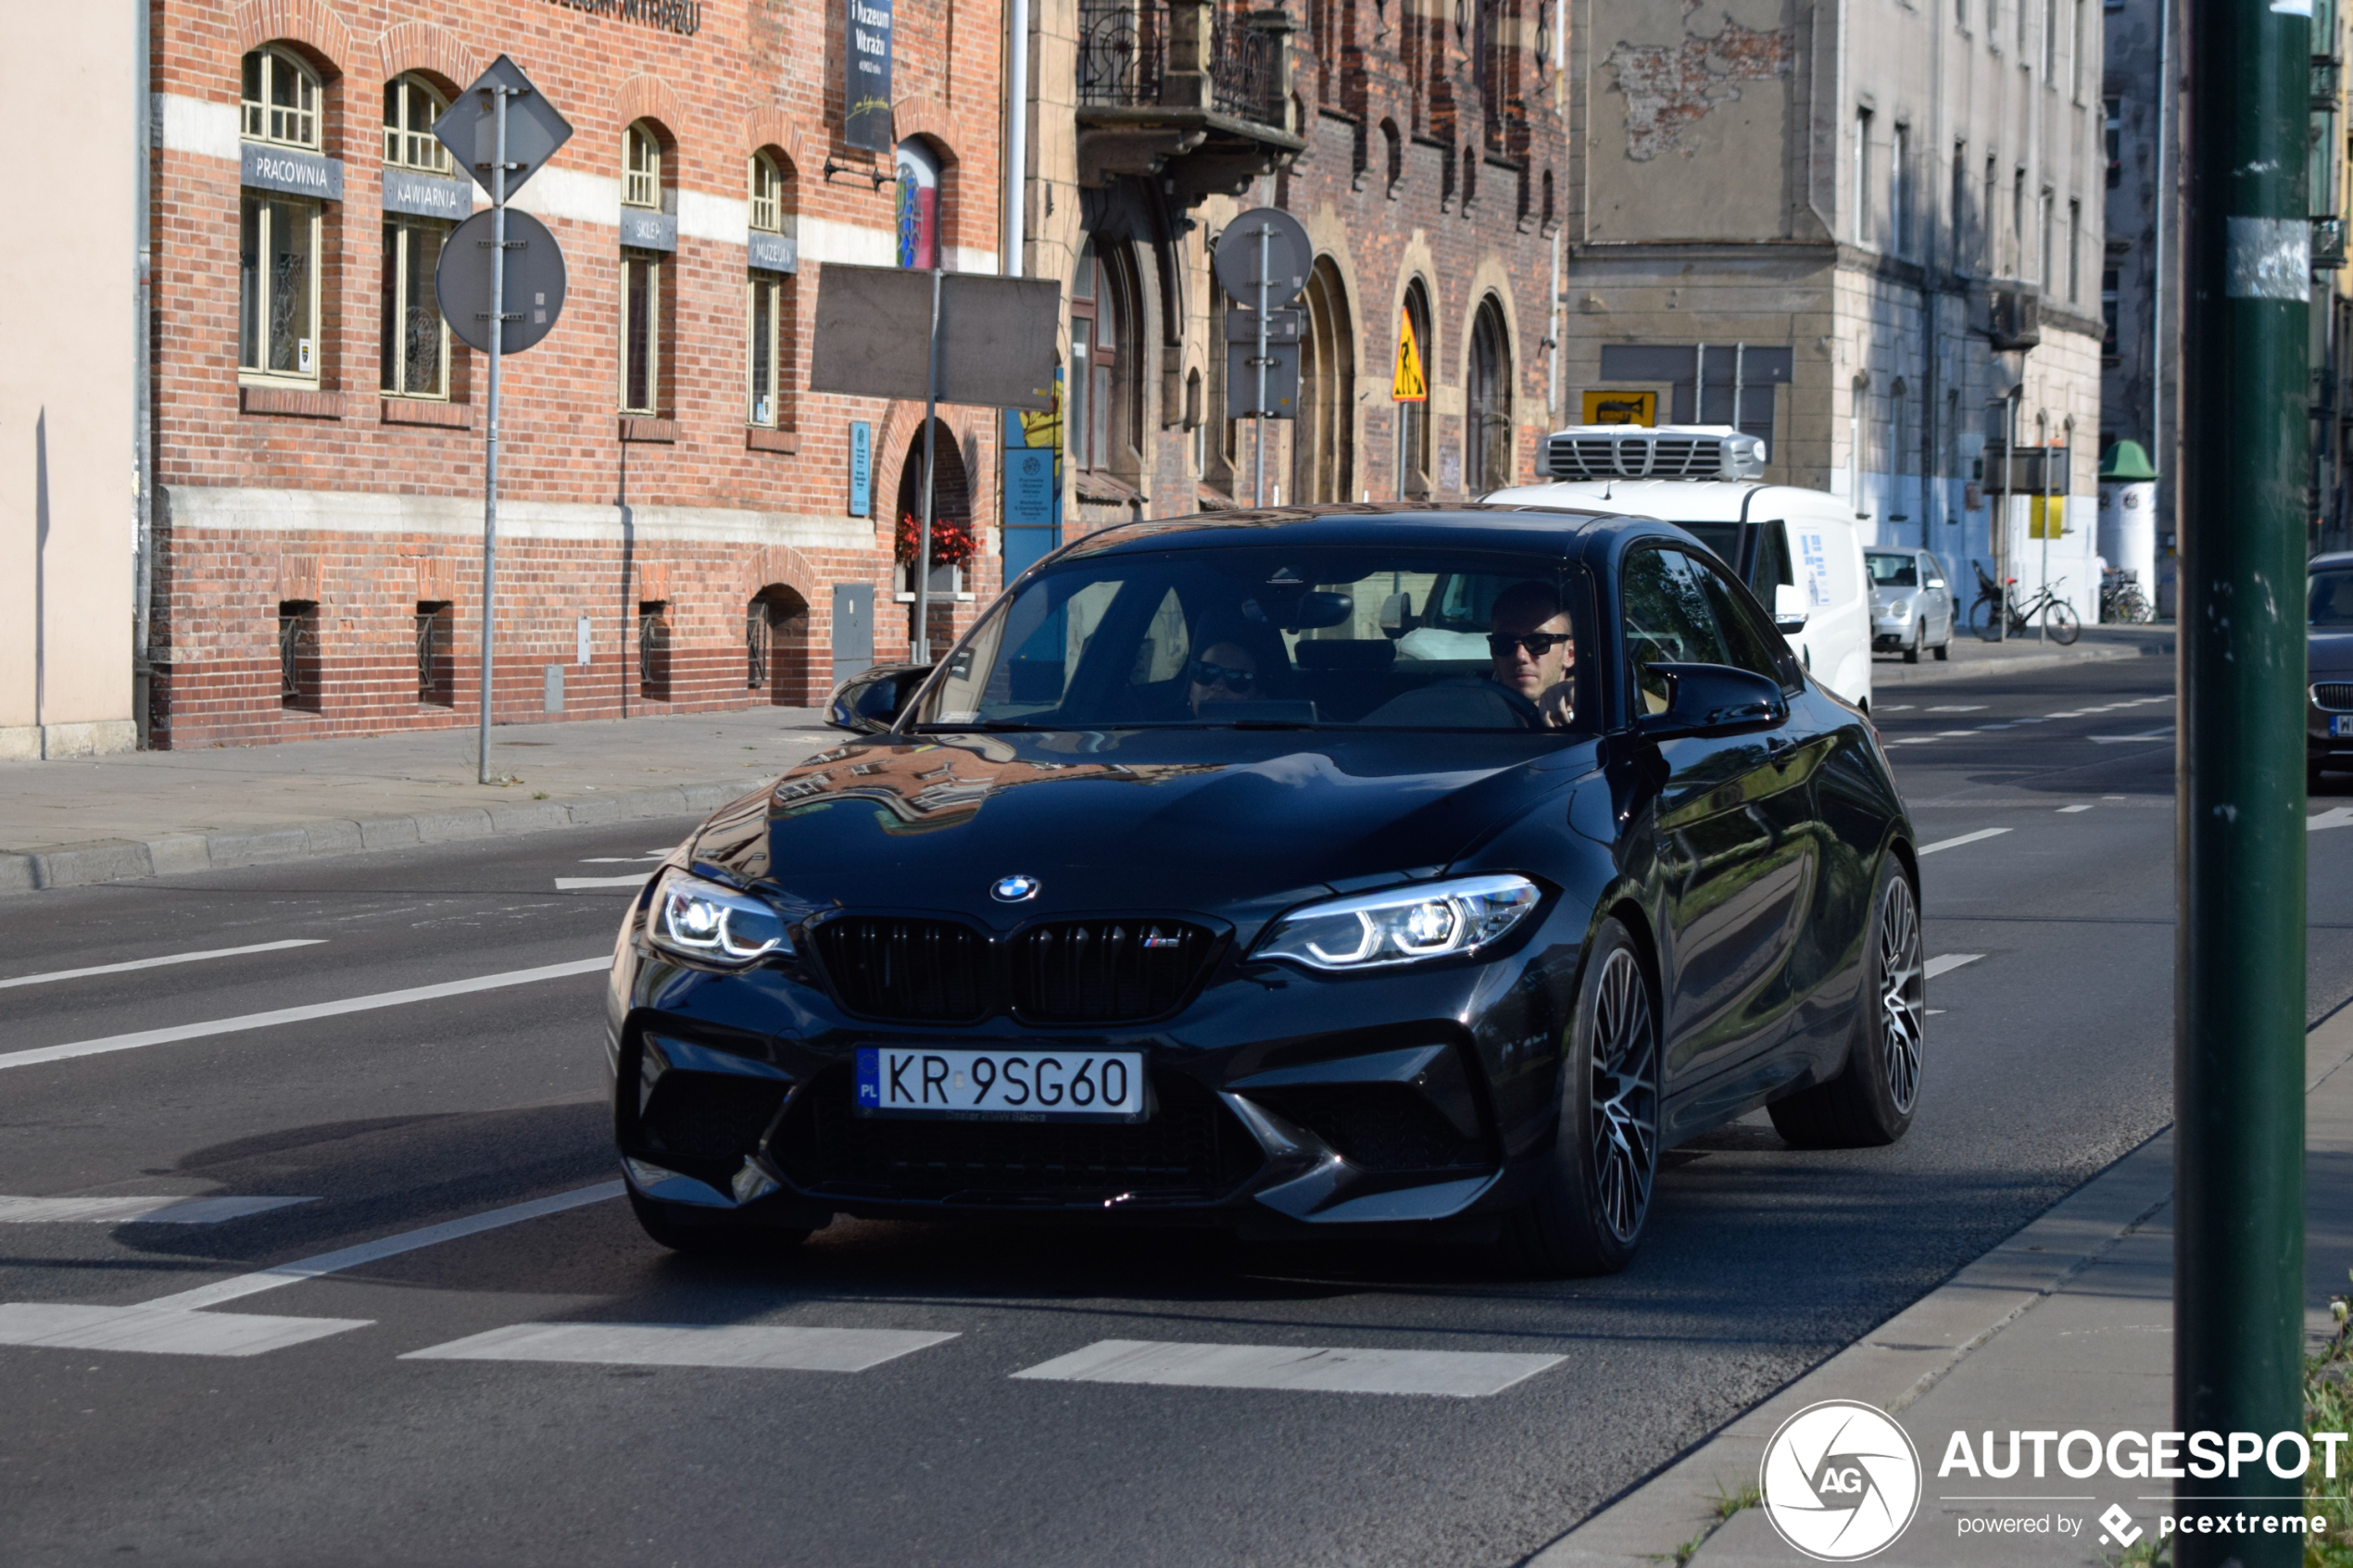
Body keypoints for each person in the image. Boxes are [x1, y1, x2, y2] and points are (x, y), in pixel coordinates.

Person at [1487, 580, 1576, 728]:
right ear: (1492, 652)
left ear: (1570, 654)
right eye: (1504, 642)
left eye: (1538, 642)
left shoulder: (1594, 713)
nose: (1520, 656)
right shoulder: (1468, 710)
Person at [1187, 641, 1260, 712]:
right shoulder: (1176, 722)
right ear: (1191, 689)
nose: (1217, 685)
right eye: (1205, 673)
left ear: (1259, 697)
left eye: (1236, 680)